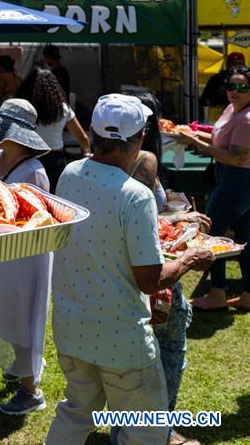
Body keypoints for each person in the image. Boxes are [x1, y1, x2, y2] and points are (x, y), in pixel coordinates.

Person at [45, 94, 214, 445]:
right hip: (121, 339)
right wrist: (188, 260)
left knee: (76, 412)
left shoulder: (69, 175)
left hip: (72, 328)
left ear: (91, 133)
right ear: (138, 140)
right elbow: (150, 281)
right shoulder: (135, 195)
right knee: (144, 431)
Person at [122, 91, 210, 445]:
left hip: (127, 266)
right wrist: (180, 218)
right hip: (153, 266)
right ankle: (159, 428)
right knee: (168, 344)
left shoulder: (92, 165)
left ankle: (130, 428)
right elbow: (144, 218)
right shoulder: (143, 160)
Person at [0, 99, 52, 415]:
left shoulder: (34, 171)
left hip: (26, 258)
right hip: (2, 252)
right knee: (7, 311)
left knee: (24, 315)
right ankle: (23, 364)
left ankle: (31, 391)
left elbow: (38, 219)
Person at [174, 65, 250, 312]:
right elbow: (219, 139)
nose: (235, 92)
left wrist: (194, 141)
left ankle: (217, 293)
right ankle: (248, 295)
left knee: (210, 233)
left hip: (237, 180)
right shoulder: (231, 109)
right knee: (245, 238)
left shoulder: (247, 119)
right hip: (233, 180)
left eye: (242, 87)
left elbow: (234, 157)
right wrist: (189, 133)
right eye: (231, 86)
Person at [19, 67, 90, 192]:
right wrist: (86, 154)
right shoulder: (63, 109)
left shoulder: (26, 109)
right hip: (56, 160)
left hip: (31, 158)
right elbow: (82, 138)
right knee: (55, 201)